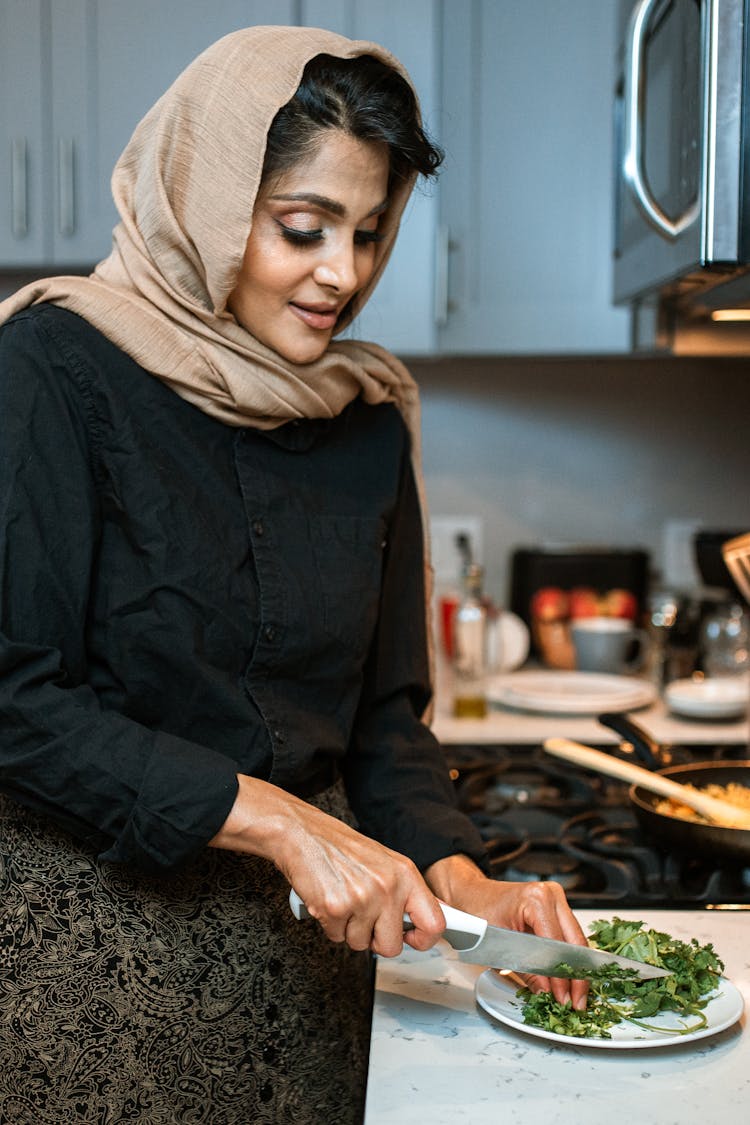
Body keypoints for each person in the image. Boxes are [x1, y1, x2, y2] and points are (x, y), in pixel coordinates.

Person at [0, 25, 588, 1124]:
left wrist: (458, 874)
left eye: (369, 234)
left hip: (314, 986)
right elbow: (14, 700)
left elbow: (387, 728)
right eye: (303, 229)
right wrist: (271, 817)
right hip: (83, 980)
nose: (344, 274)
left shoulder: (366, 422)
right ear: (207, 200)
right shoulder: (54, 370)